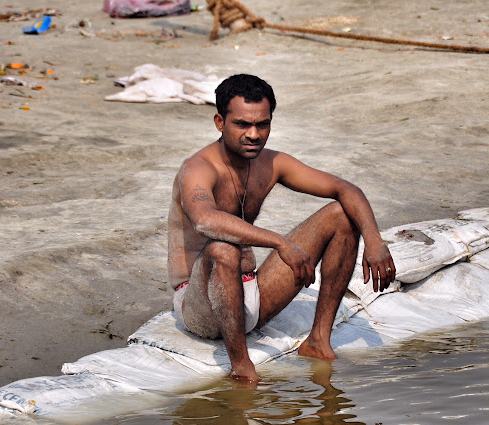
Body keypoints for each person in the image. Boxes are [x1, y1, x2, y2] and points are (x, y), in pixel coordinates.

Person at [168, 74, 395, 382]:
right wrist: (281, 243)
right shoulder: (198, 167)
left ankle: (318, 342)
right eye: (242, 124)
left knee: (343, 214)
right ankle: (241, 366)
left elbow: (344, 188)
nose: (253, 134)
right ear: (220, 122)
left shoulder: (271, 163)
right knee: (222, 248)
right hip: (202, 308)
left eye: (262, 124)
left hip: (251, 294)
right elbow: (205, 220)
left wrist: (374, 240)